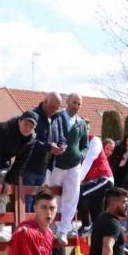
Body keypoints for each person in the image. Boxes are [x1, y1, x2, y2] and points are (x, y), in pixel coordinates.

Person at [47, 93, 88, 246]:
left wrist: (80, 155)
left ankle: (64, 230)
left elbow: (85, 145)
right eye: (74, 102)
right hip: (57, 163)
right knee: (53, 195)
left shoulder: (81, 123)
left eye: (79, 104)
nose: (76, 106)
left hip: (74, 165)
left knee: (71, 196)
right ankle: (52, 227)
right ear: (67, 102)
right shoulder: (57, 117)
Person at [22, 92, 65, 205]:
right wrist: (48, 147)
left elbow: (61, 137)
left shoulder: (58, 118)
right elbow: (28, 139)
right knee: (27, 202)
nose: (54, 110)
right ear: (45, 102)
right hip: (29, 166)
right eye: (52, 107)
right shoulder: (33, 116)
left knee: (39, 202)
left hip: (45, 167)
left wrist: (62, 146)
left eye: (57, 108)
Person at [77, 136, 114, 235]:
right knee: (97, 211)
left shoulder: (93, 140)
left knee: (81, 194)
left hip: (104, 179)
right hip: (95, 181)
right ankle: (101, 231)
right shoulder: (79, 143)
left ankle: (86, 225)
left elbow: (89, 160)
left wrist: (78, 180)